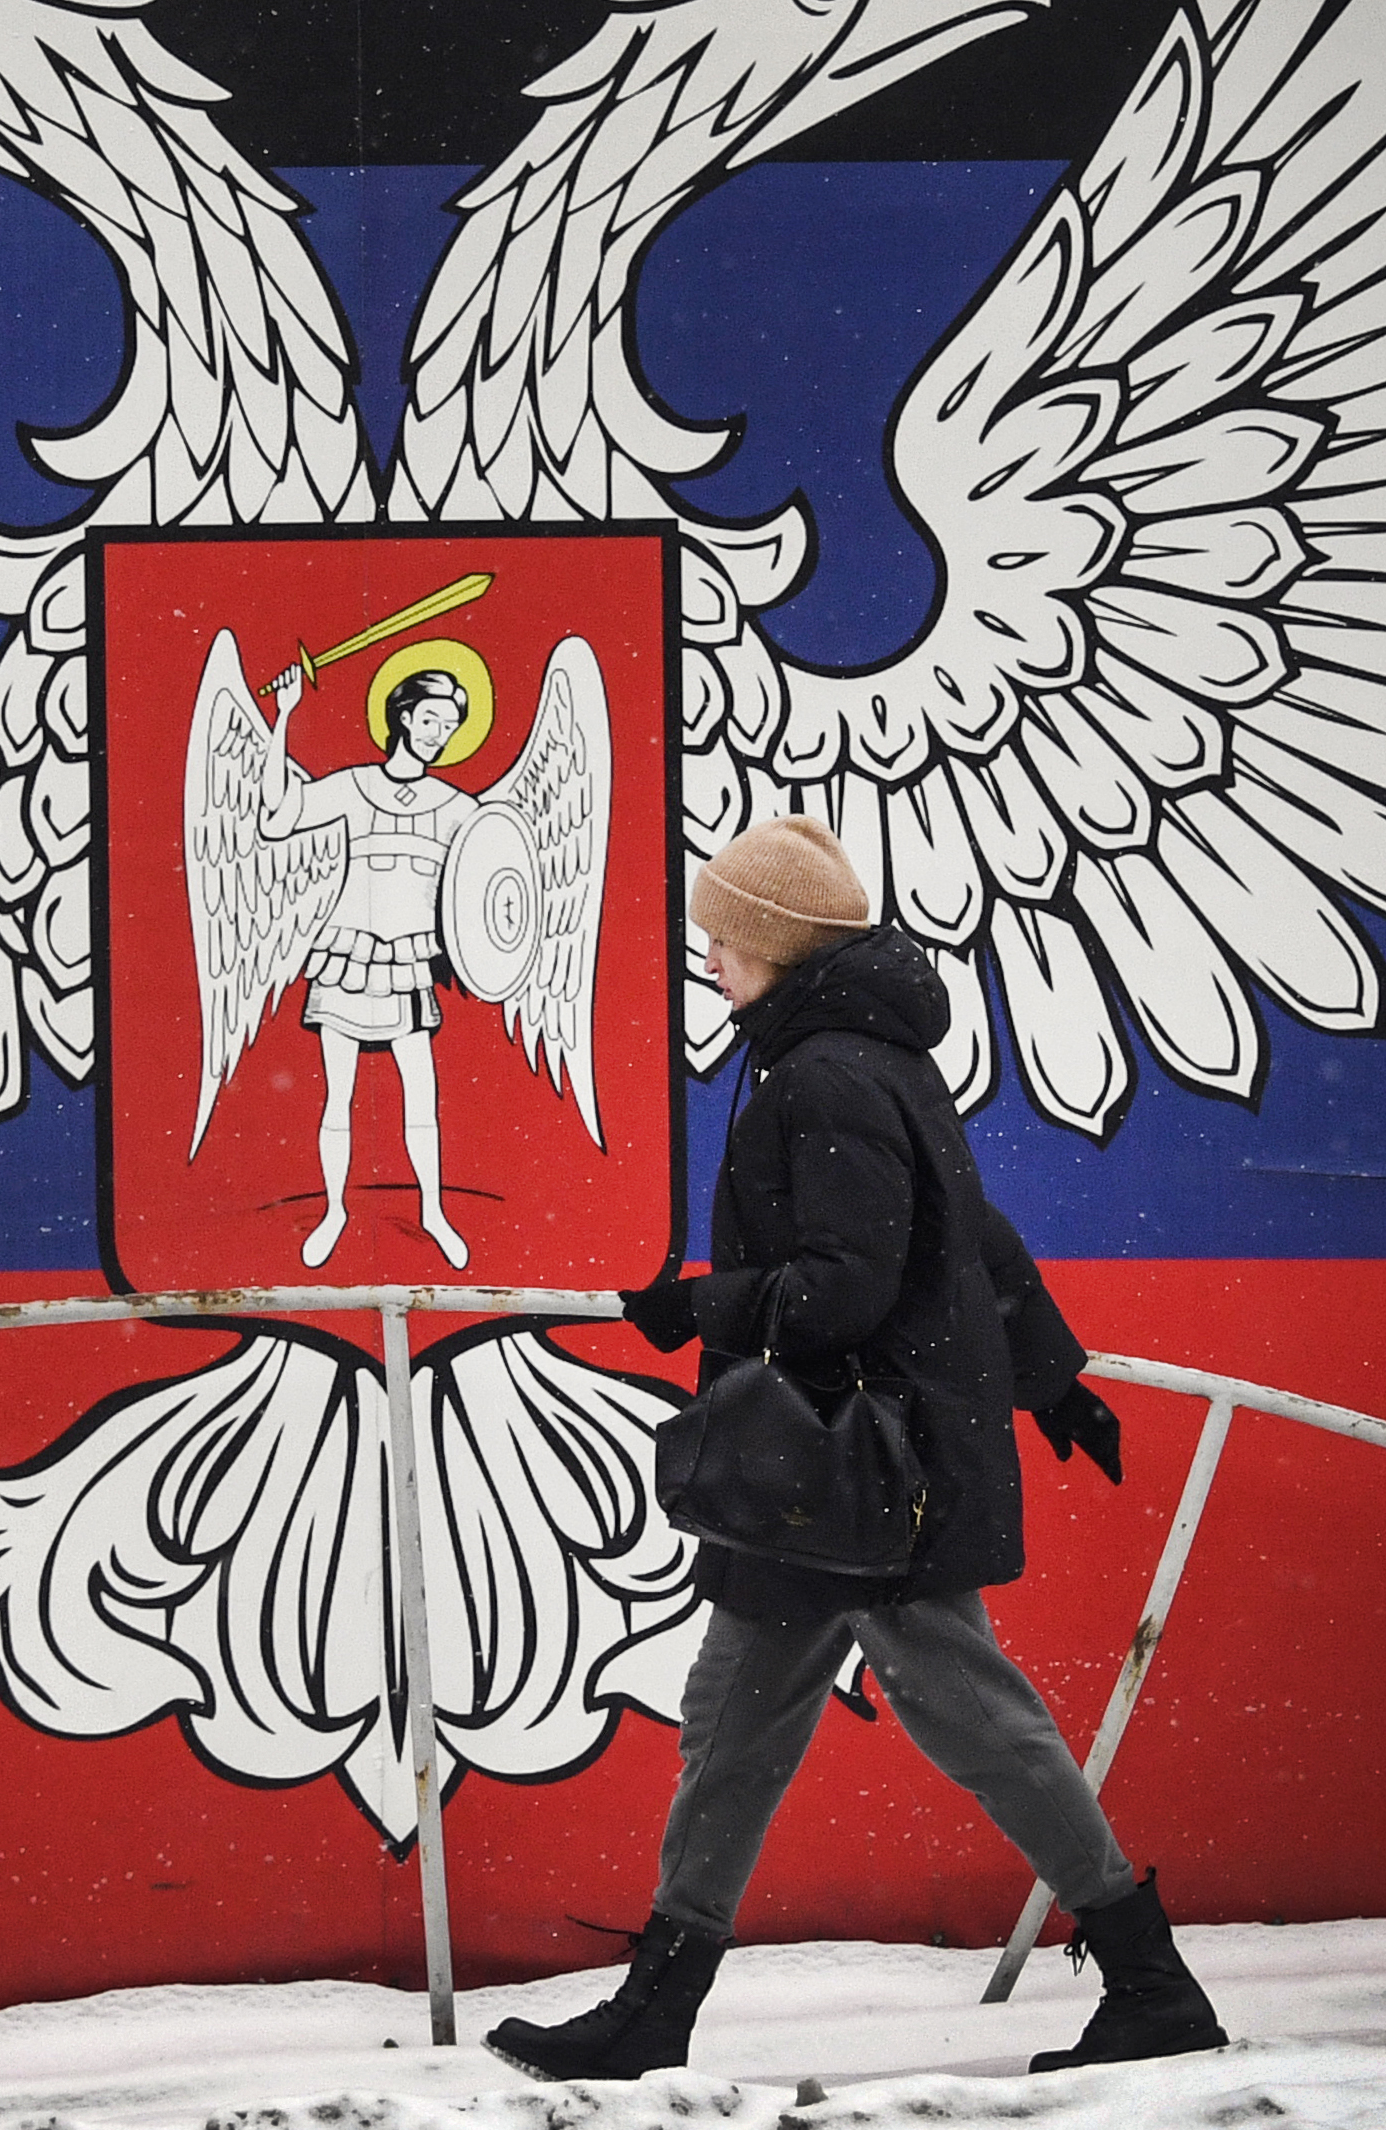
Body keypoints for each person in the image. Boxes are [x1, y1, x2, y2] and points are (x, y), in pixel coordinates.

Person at [484, 815, 1227, 2082]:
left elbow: (845, 1290)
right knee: (737, 1719)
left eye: (723, 935)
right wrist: (1056, 1381)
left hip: (864, 1474)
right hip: (832, 1476)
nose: (707, 954)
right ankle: (659, 2005)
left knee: (973, 1722)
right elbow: (971, 1230)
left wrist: (693, 1306)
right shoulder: (853, 1059)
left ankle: (1150, 1982)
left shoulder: (825, 1072)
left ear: (777, 945)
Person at [262, 657, 478, 1269]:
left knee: (421, 1095)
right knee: (339, 1096)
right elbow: (278, 819)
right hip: (348, 956)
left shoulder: (455, 804)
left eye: (450, 725)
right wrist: (283, 719)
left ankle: (433, 1211)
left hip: (409, 962)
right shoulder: (354, 787)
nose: (438, 733)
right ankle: (335, 1210)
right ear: (403, 717)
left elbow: (499, 868)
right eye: (430, 718)